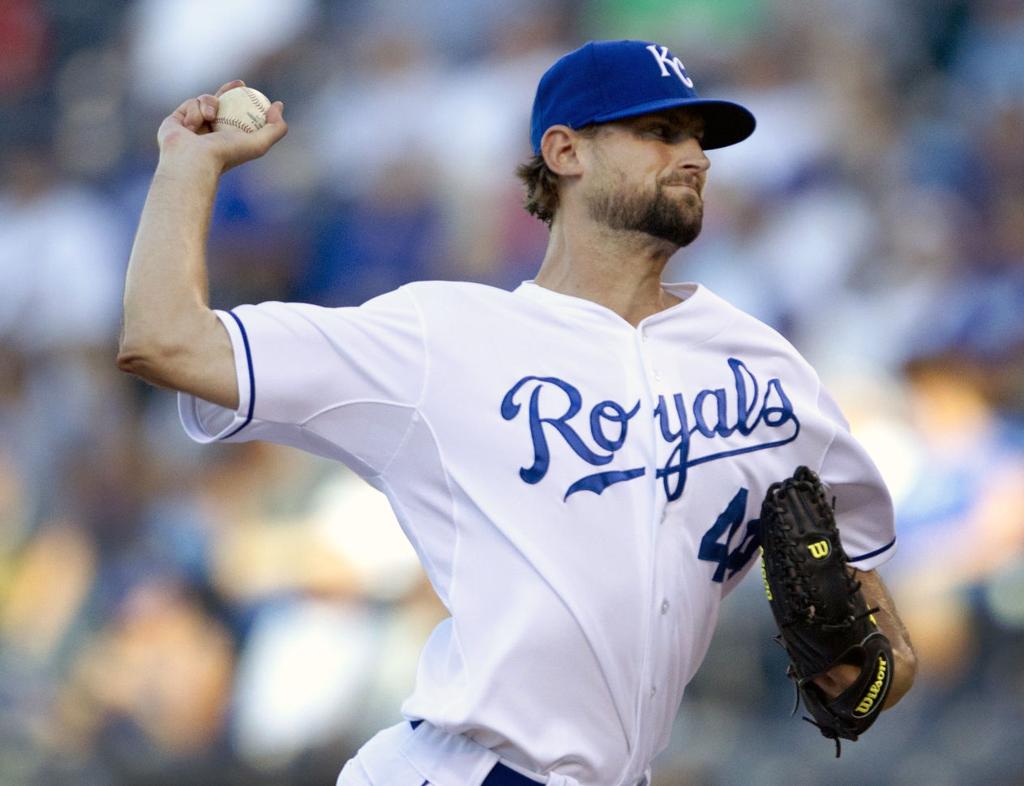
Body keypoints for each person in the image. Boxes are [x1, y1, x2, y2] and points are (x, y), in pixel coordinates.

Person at [119, 40, 917, 786]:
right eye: (659, 131)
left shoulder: (768, 371)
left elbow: (881, 635)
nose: (695, 157)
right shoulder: (444, 338)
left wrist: (871, 673)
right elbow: (166, 342)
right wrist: (189, 167)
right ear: (566, 152)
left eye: (699, 138)